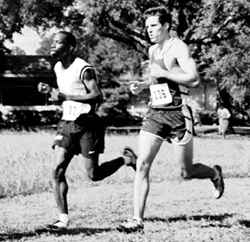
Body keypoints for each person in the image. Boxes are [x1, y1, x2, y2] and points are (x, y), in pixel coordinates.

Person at [118, 6, 224, 232]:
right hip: (156, 113)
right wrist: (143, 86)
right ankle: (137, 220)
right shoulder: (152, 50)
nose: (149, 30)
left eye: (154, 25)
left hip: (178, 114)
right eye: (147, 26)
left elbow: (193, 79)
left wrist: (165, 73)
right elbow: (157, 81)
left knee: (187, 172)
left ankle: (214, 173)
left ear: (166, 25)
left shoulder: (178, 47)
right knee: (142, 165)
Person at [38, 31, 136, 230]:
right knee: (57, 170)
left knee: (94, 175)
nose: (53, 46)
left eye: (58, 43)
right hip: (67, 123)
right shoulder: (57, 67)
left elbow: (96, 95)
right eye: (53, 42)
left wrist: (65, 96)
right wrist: (50, 92)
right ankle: (62, 220)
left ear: (71, 47)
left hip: (88, 125)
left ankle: (127, 159)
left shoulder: (83, 68)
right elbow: (65, 94)